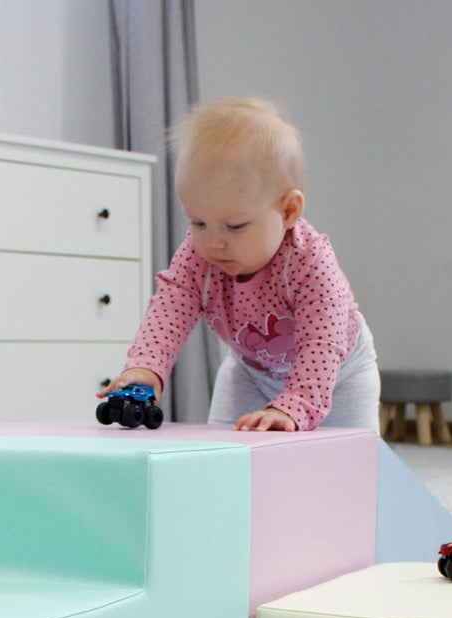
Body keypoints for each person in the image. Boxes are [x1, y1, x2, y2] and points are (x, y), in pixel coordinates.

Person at [99, 97, 379, 432]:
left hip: (338, 375)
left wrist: (295, 405)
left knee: (351, 458)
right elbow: (169, 310)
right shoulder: (199, 256)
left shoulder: (310, 262)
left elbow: (322, 343)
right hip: (250, 371)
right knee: (226, 447)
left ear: (289, 211)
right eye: (198, 223)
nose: (213, 242)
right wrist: (144, 368)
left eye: (235, 227)